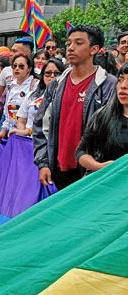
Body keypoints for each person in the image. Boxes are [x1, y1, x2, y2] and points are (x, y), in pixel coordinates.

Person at [33, 25, 117, 190]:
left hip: (92, 172)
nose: (70, 48)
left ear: (94, 49)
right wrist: (43, 163)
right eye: (69, 43)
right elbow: (40, 125)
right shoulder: (56, 84)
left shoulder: (109, 85)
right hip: (58, 168)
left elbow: (112, 132)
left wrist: (97, 166)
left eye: (78, 43)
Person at [76, 63, 128, 172]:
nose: (123, 85)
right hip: (111, 184)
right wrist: (100, 167)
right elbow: (81, 152)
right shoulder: (103, 116)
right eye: (120, 80)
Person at [11, 58, 64, 137]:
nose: (52, 76)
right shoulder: (32, 96)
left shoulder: (66, 98)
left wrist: (28, 132)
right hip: (29, 144)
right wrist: (23, 136)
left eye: (57, 74)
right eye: (48, 73)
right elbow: (21, 121)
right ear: (42, 76)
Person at [0, 54, 37, 142]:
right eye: (14, 66)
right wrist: (4, 130)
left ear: (29, 69)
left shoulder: (35, 85)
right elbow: (7, 113)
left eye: (21, 66)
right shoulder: (11, 86)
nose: (17, 68)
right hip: (13, 136)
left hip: (29, 137)